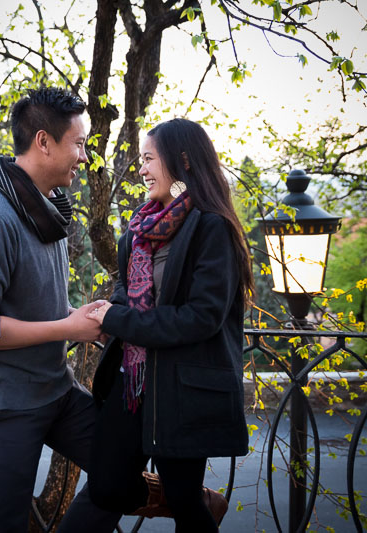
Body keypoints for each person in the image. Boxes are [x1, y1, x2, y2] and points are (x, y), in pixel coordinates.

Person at [0, 86, 120, 533]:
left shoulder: (45, 209)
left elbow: (31, 299)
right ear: (44, 142)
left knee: (120, 471)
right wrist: (67, 327)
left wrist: (79, 316)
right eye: (78, 143)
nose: (84, 155)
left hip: (52, 391)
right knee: (1, 525)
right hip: (1, 405)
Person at [82, 118, 252, 532]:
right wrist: (112, 308)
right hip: (134, 383)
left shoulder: (212, 228)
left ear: (184, 160)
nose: (140, 169)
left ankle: (195, 504)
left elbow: (202, 316)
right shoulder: (137, 232)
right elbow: (128, 289)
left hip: (183, 391)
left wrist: (119, 318)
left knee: (182, 501)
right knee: (106, 485)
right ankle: (201, 502)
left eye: (148, 159)